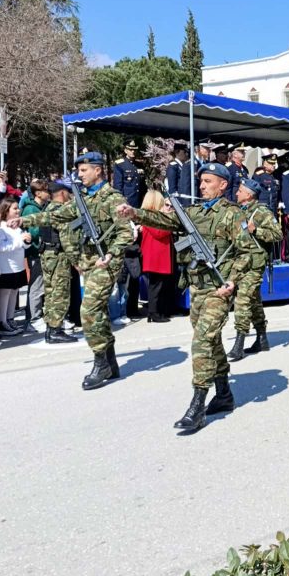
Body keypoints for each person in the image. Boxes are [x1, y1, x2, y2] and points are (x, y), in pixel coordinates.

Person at [117, 162, 251, 432]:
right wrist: (135, 213)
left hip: (218, 288)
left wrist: (233, 281)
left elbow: (247, 252)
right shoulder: (193, 212)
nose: (202, 186)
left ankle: (197, 405)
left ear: (223, 185)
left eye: (208, 182)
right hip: (196, 288)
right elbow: (164, 220)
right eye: (201, 181)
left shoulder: (233, 214)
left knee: (202, 342)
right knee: (211, 342)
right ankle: (224, 394)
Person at [11, 152, 134, 389]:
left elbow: (125, 233)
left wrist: (110, 254)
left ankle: (100, 363)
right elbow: (57, 214)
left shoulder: (113, 198)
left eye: (84, 170)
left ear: (98, 170)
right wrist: (25, 221)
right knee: (99, 313)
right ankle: (110, 361)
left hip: (106, 263)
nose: (80, 174)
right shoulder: (83, 198)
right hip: (90, 262)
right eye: (79, 170)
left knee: (88, 311)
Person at [228, 177, 282, 360]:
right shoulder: (238, 211)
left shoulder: (261, 212)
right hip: (239, 262)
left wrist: (256, 230)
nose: (237, 193)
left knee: (243, 299)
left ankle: (239, 344)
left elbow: (278, 234)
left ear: (249, 195)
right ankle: (262, 338)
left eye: (240, 191)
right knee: (254, 301)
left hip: (254, 263)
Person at [37, 181, 78, 344]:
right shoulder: (60, 211)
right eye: (67, 192)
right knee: (60, 292)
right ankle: (55, 329)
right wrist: (75, 260)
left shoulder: (47, 208)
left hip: (47, 254)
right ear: (62, 193)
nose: (69, 195)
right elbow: (66, 238)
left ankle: (51, 328)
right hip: (58, 255)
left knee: (50, 292)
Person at [0, 199, 30, 335]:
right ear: (6, 211)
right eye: (15, 208)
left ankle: (10, 318)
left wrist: (27, 241)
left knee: (14, 292)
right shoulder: (0, 228)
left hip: (18, 266)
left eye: (18, 208)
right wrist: (20, 241)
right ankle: (2, 321)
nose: (18, 210)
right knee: (5, 293)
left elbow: (22, 245)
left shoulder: (17, 228)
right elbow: (1, 247)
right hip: (6, 267)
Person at [138, 190, 175, 323]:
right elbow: (159, 233)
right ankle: (153, 312)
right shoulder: (150, 216)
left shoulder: (151, 215)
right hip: (155, 255)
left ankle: (156, 311)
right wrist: (171, 224)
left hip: (158, 254)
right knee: (155, 285)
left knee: (159, 284)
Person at [19, 180, 50, 328]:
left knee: (41, 285)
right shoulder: (31, 209)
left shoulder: (43, 207)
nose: (48, 193)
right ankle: (33, 318)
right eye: (46, 190)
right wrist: (48, 227)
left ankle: (38, 315)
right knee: (36, 286)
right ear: (38, 193)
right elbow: (33, 232)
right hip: (36, 251)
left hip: (42, 251)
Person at [112, 139, 147, 208]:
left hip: (139, 201)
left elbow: (143, 184)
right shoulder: (120, 164)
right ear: (125, 151)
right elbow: (118, 186)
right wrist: (120, 201)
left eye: (134, 150)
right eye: (130, 149)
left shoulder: (139, 165)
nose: (133, 151)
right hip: (127, 201)